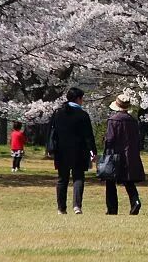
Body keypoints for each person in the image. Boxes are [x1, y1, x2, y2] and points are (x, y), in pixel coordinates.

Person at [49, 87, 97, 215]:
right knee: (78, 178)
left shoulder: (58, 113)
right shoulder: (83, 115)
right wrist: (93, 151)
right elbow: (88, 136)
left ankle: (61, 208)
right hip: (79, 150)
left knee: (62, 179)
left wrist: (50, 148)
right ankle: (77, 206)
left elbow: (52, 133)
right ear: (78, 99)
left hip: (61, 151)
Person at [104, 94, 145, 215]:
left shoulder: (113, 120)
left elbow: (110, 139)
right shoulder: (133, 121)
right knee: (128, 180)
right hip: (130, 154)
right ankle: (135, 201)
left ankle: (112, 209)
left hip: (116, 153)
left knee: (110, 181)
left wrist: (106, 150)